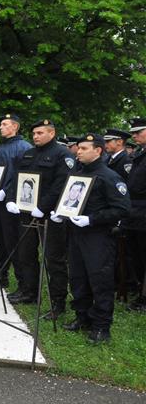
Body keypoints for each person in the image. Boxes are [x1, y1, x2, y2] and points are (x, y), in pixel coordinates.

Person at [53, 133, 130, 344]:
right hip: (76, 234)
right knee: (78, 277)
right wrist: (61, 211)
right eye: (78, 148)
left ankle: (101, 327)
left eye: (84, 148)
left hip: (98, 236)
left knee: (99, 280)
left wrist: (92, 219)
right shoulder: (77, 173)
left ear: (98, 150)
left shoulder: (109, 176)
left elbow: (122, 209)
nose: (79, 151)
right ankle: (83, 317)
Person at [6, 119, 74, 319]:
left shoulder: (63, 155)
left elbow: (61, 185)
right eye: (34, 133)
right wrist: (11, 199)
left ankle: (57, 303)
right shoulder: (28, 154)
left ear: (51, 133)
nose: (35, 136)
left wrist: (42, 207)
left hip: (50, 215)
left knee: (53, 260)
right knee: (26, 254)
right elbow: (16, 179)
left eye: (40, 133)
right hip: (26, 212)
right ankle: (29, 292)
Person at [122, 117, 146, 312]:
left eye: (139, 131)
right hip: (134, 213)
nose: (134, 135)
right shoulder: (140, 153)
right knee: (136, 257)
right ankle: (139, 293)